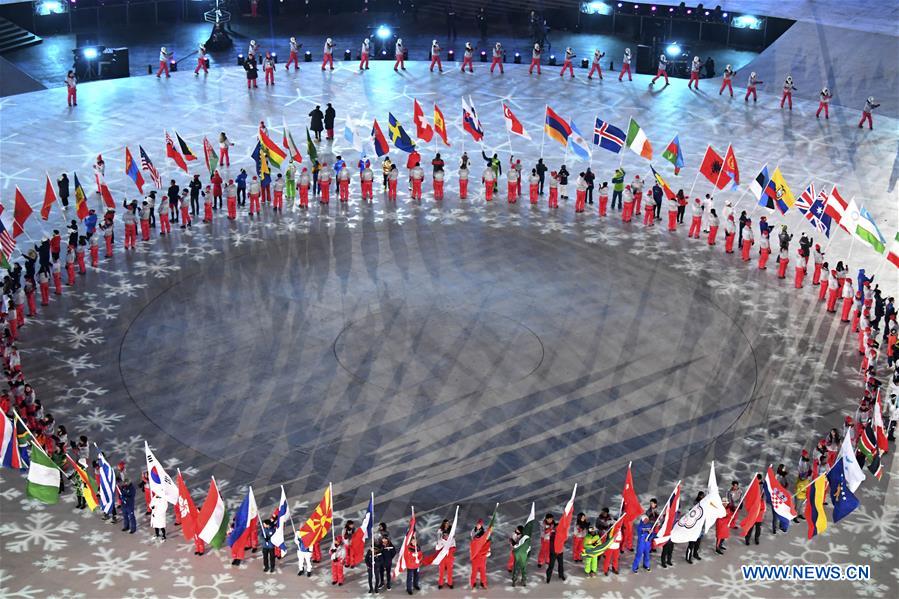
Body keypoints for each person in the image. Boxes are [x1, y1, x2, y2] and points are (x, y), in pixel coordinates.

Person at [435, 524, 455, 589]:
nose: (446, 536)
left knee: (449, 572)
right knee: (441, 572)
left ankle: (450, 583)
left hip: (449, 558)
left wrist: (448, 549)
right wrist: (438, 547)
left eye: (447, 535)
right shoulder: (440, 541)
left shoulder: (452, 540)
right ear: (443, 535)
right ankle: (440, 584)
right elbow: (437, 550)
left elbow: (454, 548)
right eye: (445, 535)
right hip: (442, 559)